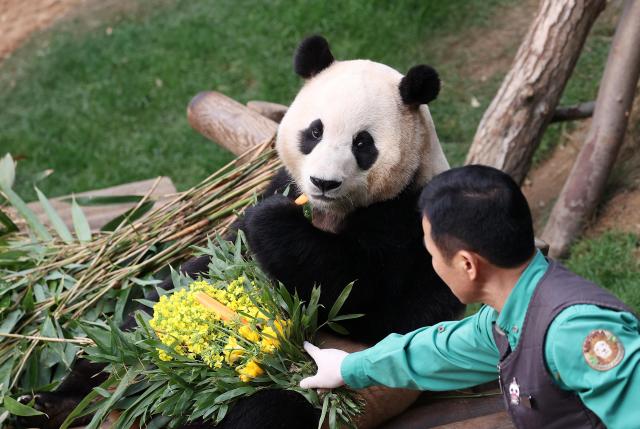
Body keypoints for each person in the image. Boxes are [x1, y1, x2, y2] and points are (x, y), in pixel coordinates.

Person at [299, 165, 639, 429]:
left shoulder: (576, 332)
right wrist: (349, 366)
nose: (432, 265)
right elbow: (439, 350)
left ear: (467, 264)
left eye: (431, 253)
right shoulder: (510, 313)